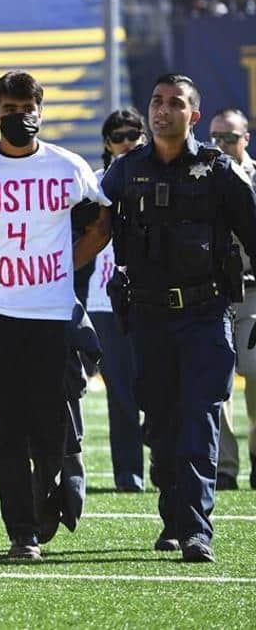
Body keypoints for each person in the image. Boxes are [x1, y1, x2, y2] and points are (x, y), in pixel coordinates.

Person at [0, 70, 108, 562]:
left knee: (51, 420)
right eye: (10, 110)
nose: (20, 117)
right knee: (5, 424)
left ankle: (49, 489)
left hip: (52, 311)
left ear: (41, 112)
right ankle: (21, 529)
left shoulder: (68, 166)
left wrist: (67, 262)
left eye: (28, 108)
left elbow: (102, 220)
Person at [95, 77, 256, 563]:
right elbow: (91, 226)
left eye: (175, 104)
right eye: (157, 102)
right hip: (147, 318)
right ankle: (173, 516)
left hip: (206, 314)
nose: (162, 111)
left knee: (200, 418)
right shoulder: (123, 173)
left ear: (193, 115)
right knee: (161, 424)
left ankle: (196, 528)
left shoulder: (219, 171)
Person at [83, 108, 146, 492]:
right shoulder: (93, 184)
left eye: (133, 134)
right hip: (106, 303)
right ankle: (128, 474)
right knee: (120, 392)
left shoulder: (161, 177)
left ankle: (165, 463)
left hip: (153, 299)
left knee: (160, 389)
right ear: (107, 143)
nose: (127, 142)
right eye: (118, 136)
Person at [209, 107, 256, 490]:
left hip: (254, 294)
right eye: (214, 137)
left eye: (228, 138)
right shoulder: (205, 177)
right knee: (217, 382)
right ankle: (225, 467)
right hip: (218, 293)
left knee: (255, 376)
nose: (220, 145)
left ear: (246, 139)